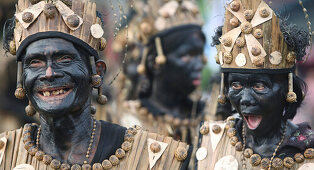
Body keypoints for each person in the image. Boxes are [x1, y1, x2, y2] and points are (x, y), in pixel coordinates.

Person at [0, 0, 191, 169]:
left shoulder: (158, 158)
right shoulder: (5, 156)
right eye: (35, 62)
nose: (49, 73)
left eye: (64, 59)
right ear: (22, 78)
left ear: (97, 71)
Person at [196, 0, 314, 169]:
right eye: (236, 86)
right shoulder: (209, 140)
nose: (245, 99)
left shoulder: (306, 148)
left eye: (259, 86)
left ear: (287, 87)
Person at [118, 0, 206, 145]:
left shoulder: (211, 117)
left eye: (199, 54)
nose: (199, 64)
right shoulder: (127, 122)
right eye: (187, 55)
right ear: (154, 63)